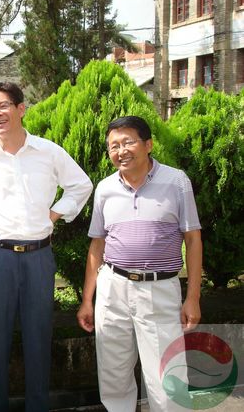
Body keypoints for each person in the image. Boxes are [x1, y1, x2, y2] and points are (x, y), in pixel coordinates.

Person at [0, 82, 93, 411]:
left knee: (38, 338)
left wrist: (55, 214)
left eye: (3, 106)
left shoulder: (48, 152)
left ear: (20, 109)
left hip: (38, 257)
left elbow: (81, 185)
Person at [76, 115, 202, 411]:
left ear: (148, 145)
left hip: (159, 289)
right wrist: (87, 299)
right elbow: (97, 244)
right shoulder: (105, 188)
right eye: (113, 146)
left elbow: (193, 239)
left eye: (128, 142)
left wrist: (193, 297)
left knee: (166, 375)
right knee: (113, 373)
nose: (121, 151)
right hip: (112, 288)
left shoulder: (176, 181)